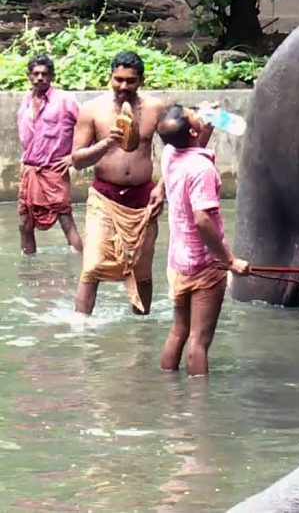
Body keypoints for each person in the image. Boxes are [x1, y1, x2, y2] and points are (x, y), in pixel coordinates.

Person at [71, 51, 165, 316]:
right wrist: (106, 143)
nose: (123, 86)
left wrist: (162, 187)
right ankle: (81, 328)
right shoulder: (92, 109)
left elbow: (178, 150)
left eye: (130, 81)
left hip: (143, 199)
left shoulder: (155, 108)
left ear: (141, 81)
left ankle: (142, 326)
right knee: (92, 266)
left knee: (142, 270)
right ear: (110, 77)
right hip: (104, 198)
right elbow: (77, 159)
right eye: (118, 79)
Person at [157, 105, 249, 376]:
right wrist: (230, 261)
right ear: (193, 130)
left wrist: (203, 128)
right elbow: (202, 220)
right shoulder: (201, 169)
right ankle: (197, 412)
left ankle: (169, 391)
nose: (196, 110)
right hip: (205, 265)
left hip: (177, 262)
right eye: (191, 113)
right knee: (199, 340)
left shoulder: (170, 153)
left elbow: (190, 149)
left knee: (178, 331)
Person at [16, 55, 83, 254]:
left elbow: (85, 126)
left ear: (51, 76)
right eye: (35, 74)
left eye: (44, 74)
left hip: (54, 169)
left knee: (65, 219)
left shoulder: (65, 100)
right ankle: (28, 268)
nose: (40, 78)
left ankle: (82, 265)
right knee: (24, 223)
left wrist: (74, 156)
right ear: (29, 76)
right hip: (30, 170)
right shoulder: (25, 102)